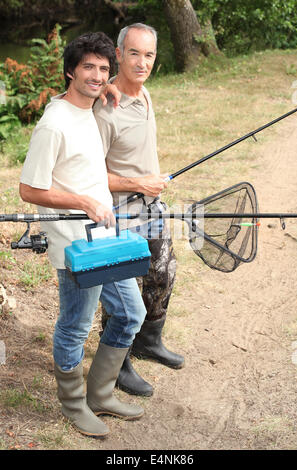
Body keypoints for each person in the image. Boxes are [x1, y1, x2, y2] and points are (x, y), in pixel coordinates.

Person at [19, 32, 147, 438]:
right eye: (88, 67)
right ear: (69, 70)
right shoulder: (53, 125)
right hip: (74, 243)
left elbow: (95, 86)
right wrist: (84, 202)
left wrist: (103, 86)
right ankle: (73, 404)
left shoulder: (88, 106)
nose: (97, 76)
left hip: (104, 235)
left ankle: (101, 392)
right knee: (76, 324)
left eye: (104, 69)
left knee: (131, 313)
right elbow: (29, 189)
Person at [93, 23, 184, 398]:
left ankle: (148, 341)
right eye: (134, 53)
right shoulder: (106, 108)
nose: (142, 62)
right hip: (119, 213)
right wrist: (137, 183)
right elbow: (92, 174)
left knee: (163, 274)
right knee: (123, 290)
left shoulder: (145, 94)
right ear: (118, 54)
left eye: (148, 55)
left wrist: (151, 180)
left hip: (151, 205)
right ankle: (119, 364)